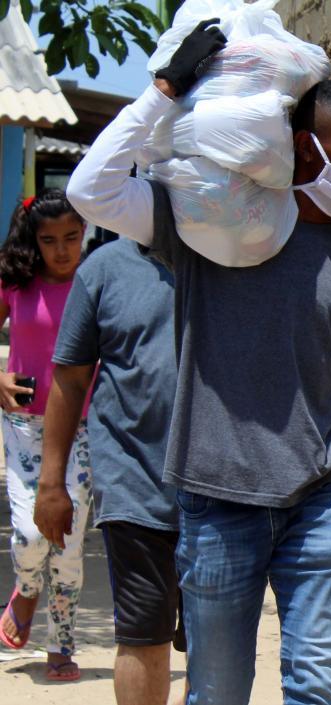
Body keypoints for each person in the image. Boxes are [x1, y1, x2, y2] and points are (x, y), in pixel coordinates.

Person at [67, 23, 331, 704]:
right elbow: (93, 191)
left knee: (317, 686)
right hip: (215, 502)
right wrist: (163, 92)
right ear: (303, 149)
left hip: (318, 502)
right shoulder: (210, 228)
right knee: (217, 692)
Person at [34, 236, 181, 705]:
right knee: (143, 630)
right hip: (132, 475)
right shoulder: (104, 268)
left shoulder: (237, 252)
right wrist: (51, 482)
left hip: (223, 484)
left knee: (213, 634)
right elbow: (71, 375)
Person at [0, 189, 90, 682]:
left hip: (83, 429)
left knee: (70, 539)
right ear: (34, 241)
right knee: (33, 533)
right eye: (50, 240)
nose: (62, 250)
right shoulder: (14, 281)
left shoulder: (95, 281)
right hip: (23, 425)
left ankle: (61, 645)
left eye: (72, 238)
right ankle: (27, 586)